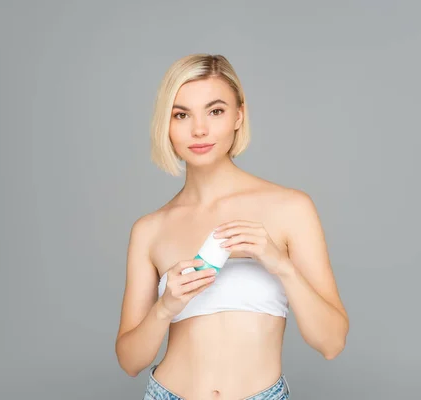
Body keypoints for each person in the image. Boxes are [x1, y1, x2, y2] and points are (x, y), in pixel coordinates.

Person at [115, 54, 349, 400]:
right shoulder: (149, 229)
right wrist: (166, 306)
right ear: (166, 124)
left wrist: (280, 265)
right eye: (181, 114)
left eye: (215, 111)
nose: (199, 130)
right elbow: (130, 361)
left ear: (239, 115)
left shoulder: (291, 208)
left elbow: (331, 343)